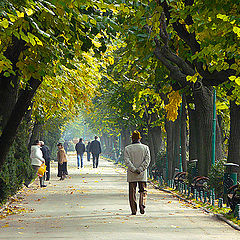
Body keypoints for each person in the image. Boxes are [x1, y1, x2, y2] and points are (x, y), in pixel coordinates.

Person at [124, 130, 150, 215]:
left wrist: (133, 169)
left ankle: (133, 210)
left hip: (132, 174)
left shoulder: (127, 148)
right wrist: (141, 168)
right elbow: (147, 160)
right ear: (139, 138)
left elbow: (127, 161)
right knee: (143, 190)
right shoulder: (145, 148)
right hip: (142, 174)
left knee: (132, 193)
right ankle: (142, 204)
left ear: (132, 138)